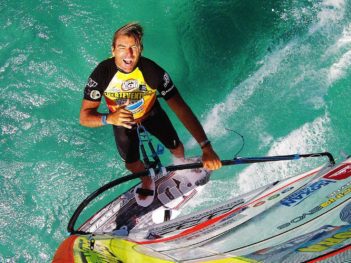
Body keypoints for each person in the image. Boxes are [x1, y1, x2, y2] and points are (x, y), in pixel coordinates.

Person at [79, 22, 222, 200]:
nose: (129, 54)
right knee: (131, 164)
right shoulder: (102, 73)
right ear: (113, 50)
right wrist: (109, 118)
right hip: (121, 120)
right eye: (122, 47)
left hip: (151, 112)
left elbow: (181, 108)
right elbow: (85, 116)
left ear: (141, 49)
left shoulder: (152, 71)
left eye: (134, 47)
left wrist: (206, 147)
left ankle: (180, 162)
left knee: (176, 146)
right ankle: (147, 181)